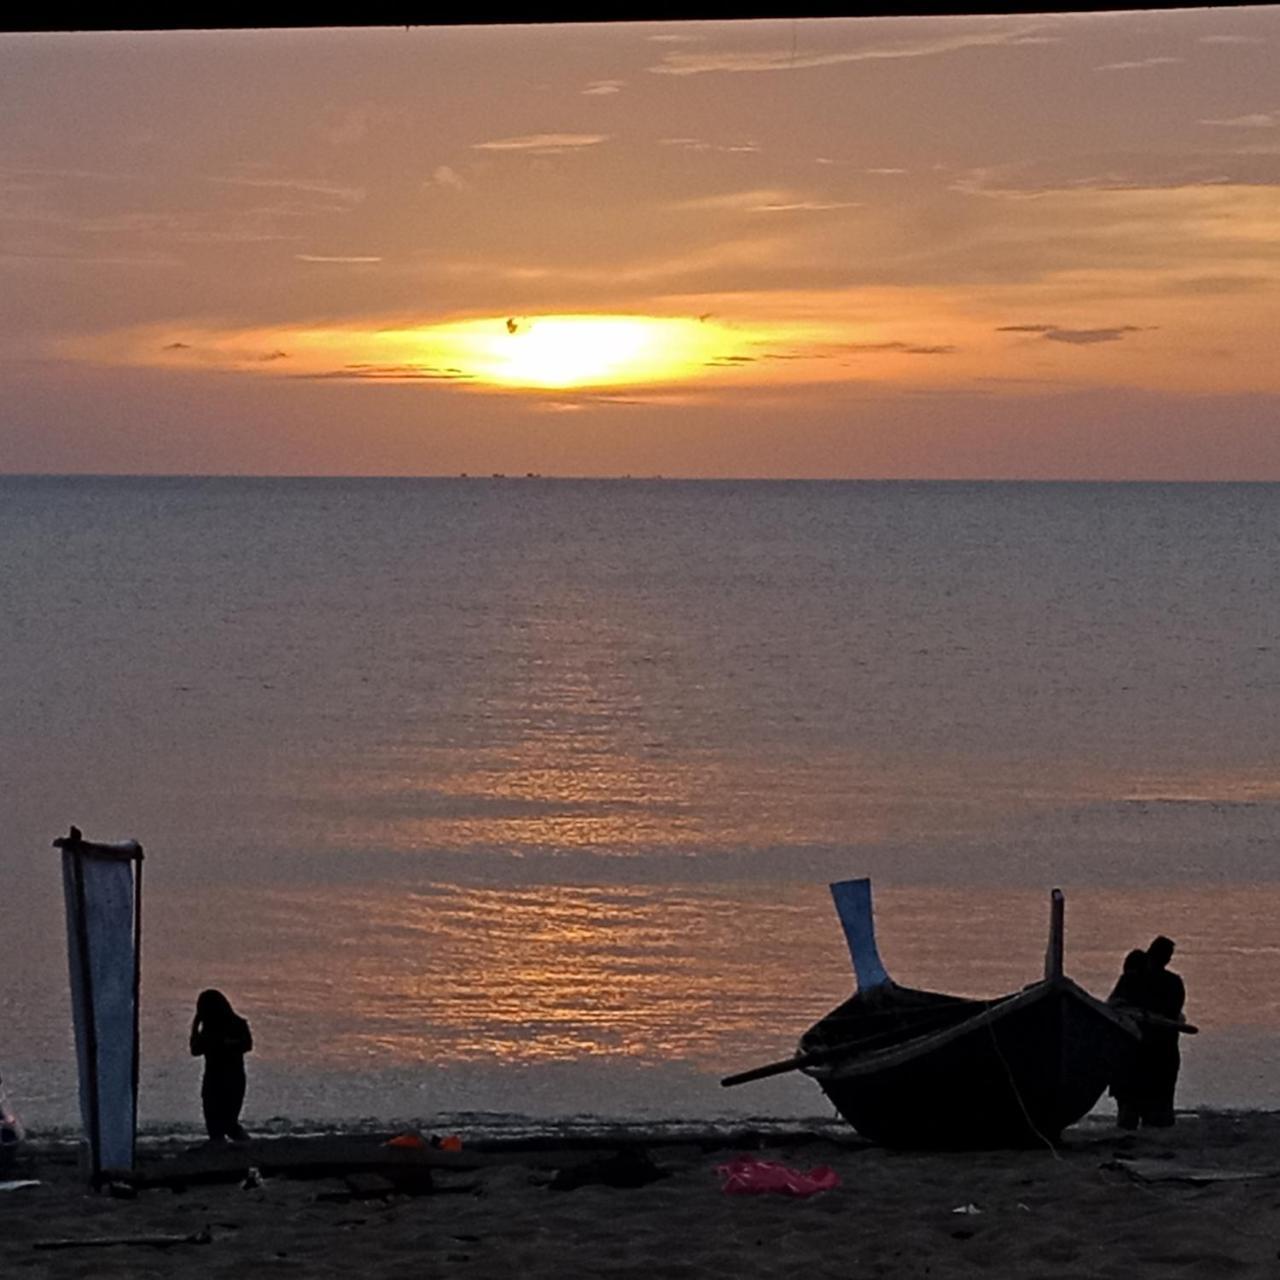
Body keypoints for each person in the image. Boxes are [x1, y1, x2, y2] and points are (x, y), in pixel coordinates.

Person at [190, 989, 253, 1142]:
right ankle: (235, 1147)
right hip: (214, 1079)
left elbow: (247, 1044)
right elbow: (195, 1050)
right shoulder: (208, 1029)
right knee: (215, 1125)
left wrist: (227, 1044)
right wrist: (195, 1026)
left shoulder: (236, 1024)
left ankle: (246, 1146)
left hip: (231, 1079)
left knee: (228, 1124)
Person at [1141, 935, 1186, 1127]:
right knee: (1162, 1093)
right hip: (1159, 1044)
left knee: (1159, 1092)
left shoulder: (1136, 979)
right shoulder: (1173, 982)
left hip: (1152, 1044)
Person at [1106, 949, 1149, 1130]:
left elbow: (1112, 1004)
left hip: (1127, 1051)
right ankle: (1130, 1124)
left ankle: (1126, 1124)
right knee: (1132, 1095)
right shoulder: (1144, 983)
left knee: (1126, 1096)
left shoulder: (1128, 981)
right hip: (1137, 1050)